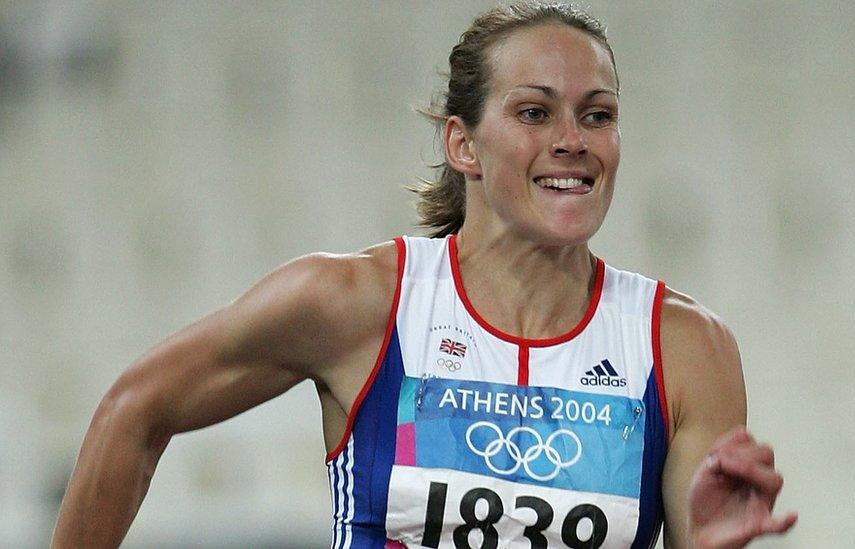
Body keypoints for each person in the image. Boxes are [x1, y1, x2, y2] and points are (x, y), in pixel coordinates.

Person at [52, 2, 797, 548]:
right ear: (462, 146)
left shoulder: (685, 346)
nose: (573, 141)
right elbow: (132, 410)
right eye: (535, 113)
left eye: (597, 116)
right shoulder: (358, 305)